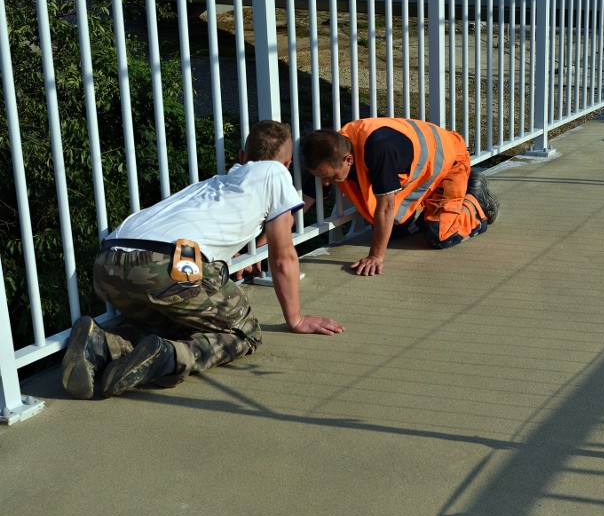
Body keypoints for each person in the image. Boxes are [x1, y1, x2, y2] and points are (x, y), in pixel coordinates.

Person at [61, 120, 344, 400]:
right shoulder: (275, 173)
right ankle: (168, 359)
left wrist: (239, 252)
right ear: (286, 164)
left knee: (182, 320)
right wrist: (295, 319)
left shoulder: (213, 184)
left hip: (108, 262)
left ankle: (103, 343)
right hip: (164, 265)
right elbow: (283, 257)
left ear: (242, 158)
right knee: (244, 332)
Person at [299, 117, 499, 276]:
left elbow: (386, 207)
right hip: (427, 171)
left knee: (440, 235)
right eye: (322, 178)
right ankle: (436, 207)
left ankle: (475, 200)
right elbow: (300, 205)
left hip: (451, 162)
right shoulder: (329, 153)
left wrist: (375, 257)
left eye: (331, 177)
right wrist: (269, 241)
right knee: (391, 231)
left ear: (348, 160)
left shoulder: (377, 149)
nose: (326, 183)